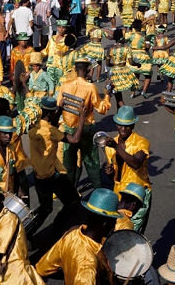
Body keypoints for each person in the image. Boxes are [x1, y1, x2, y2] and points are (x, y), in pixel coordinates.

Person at [27, 97, 86, 235]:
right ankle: (58, 227)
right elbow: (75, 139)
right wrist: (82, 117)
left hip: (38, 175)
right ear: (50, 114)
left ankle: (27, 232)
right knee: (73, 201)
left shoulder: (34, 127)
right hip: (52, 176)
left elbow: (50, 123)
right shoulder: (52, 132)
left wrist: (57, 111)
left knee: (46, 207)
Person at [36, 188, 118, 285]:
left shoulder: (72, 233)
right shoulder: (88, 266)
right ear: (105, 223)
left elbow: (42, 268)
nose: (114, 225)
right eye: (114, 221)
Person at [57, 57, 111, 187]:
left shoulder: (64, 85)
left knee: (69, 162)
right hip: (86, 128)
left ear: (75, 69)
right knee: (91, 160)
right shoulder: (90, 87)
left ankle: (70, 190)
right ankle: (97, 189)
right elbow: (101, 109)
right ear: (88, 70)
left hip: (69, 129)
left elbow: (59, 105)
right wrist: (107, 95)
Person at [105, 105, 152, 234]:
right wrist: (109, 172)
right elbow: (115, 173)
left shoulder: (142, 142)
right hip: (119, 193)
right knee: (117, 231)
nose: (123, 129)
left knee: (133, 233)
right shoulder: (110, 145)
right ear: (116, 125)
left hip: (137, 194)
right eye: (120, 125)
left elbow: (136, 163)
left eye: (127, 125)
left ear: (133, 126)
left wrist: (116, 147)